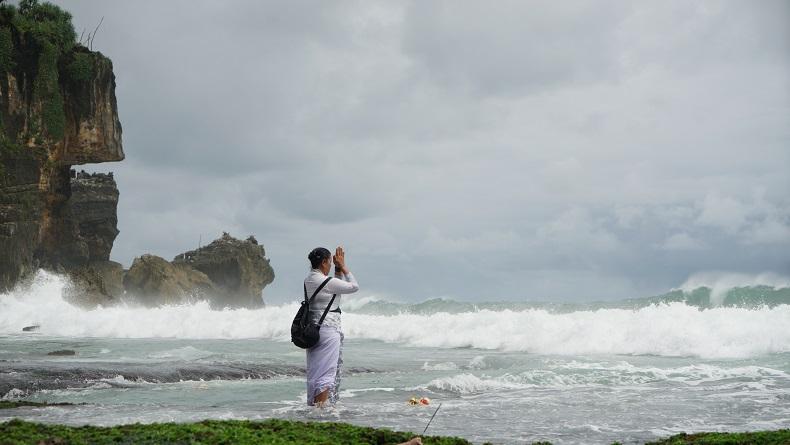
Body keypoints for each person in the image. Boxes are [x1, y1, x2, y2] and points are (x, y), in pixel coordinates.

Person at [304, 246, 359, 407]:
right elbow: (354, 286)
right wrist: (343, 267)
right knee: (327, 372)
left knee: (316, 371)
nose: (330, 265)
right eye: (329, 262)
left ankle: (314, 406)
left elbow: (334, 289)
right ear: (323, 262)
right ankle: (320, 411)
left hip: (314, 330)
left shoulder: (310, 279)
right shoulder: (325, 281)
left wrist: (336, 270)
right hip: (328, 331)